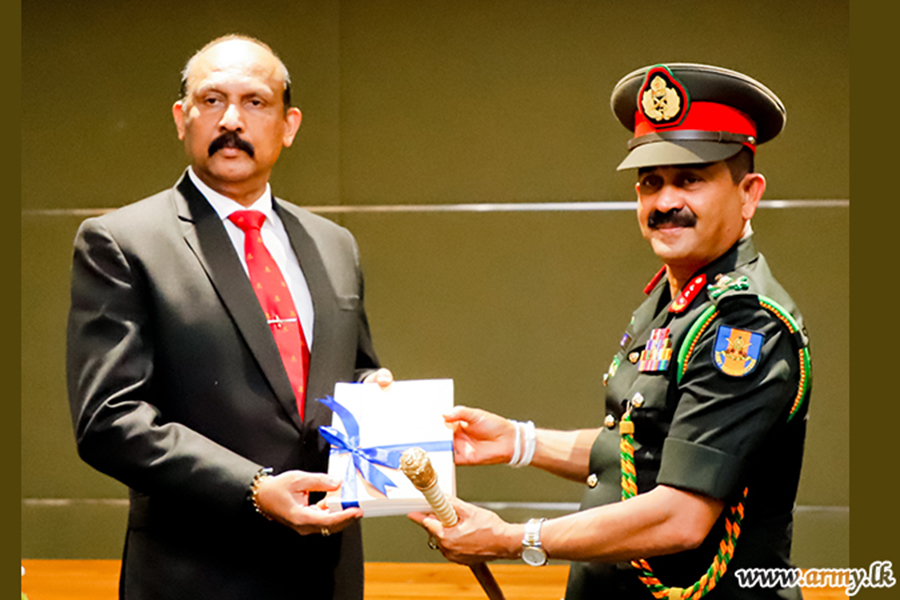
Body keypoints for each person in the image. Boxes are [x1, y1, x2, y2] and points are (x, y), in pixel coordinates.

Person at [410, 63, 811, 599]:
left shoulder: (744, 326)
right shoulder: (671, 301)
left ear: (748, 194)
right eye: (650, 183)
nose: (664, 202)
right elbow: (635, 448)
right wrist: (518, 441)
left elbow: (680, 516)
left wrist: (513, 539)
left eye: (690, 179)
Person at [66, 34, 392, 600]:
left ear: (289, 125)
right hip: (196, 574)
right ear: (181, 118)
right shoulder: (122, 243)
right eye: (211, 101)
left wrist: (377, 392)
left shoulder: (334, 244)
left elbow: (350, 373)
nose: (232, 120)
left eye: (255, 102)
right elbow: (109, 421)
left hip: (327, 572)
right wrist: (254, 488)